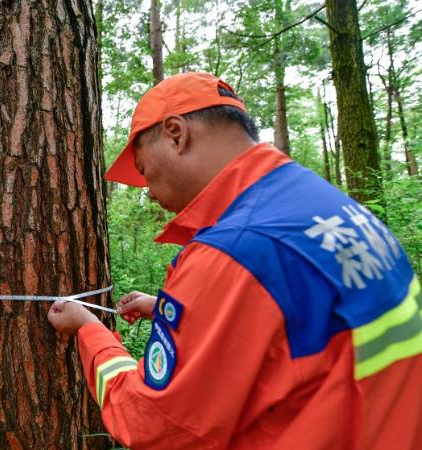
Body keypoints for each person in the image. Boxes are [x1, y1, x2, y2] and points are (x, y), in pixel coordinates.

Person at [48, 72, 422, 449]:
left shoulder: (235, 251)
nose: (150, 194)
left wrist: (89, 329)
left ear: (176, 133)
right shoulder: (325, 204)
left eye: (145, 171)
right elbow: (299, 318)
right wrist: (172, 309)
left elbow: (152, 422)